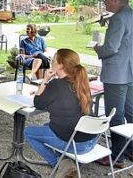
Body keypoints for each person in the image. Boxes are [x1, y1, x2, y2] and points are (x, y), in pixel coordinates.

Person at [24, 49, 98, 177]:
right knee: (46, 126)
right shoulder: (81, 83)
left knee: (28, 132)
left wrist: (45, 80)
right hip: (91, 140)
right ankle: (70, 162)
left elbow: (38, 103)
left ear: (60, 65)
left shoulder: (56, 84)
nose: (51, 63)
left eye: (53, 61)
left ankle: (59, 165)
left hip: (76, 144)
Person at [94, 0, 133, 168]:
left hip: (117, 74)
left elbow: (112, 48)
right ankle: (130, 148)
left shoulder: (118, 19)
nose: (105, 1)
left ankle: (117, 156)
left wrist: (98, 49)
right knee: (131, 113)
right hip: (130, 71)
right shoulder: (129, 15)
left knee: (115, 115)